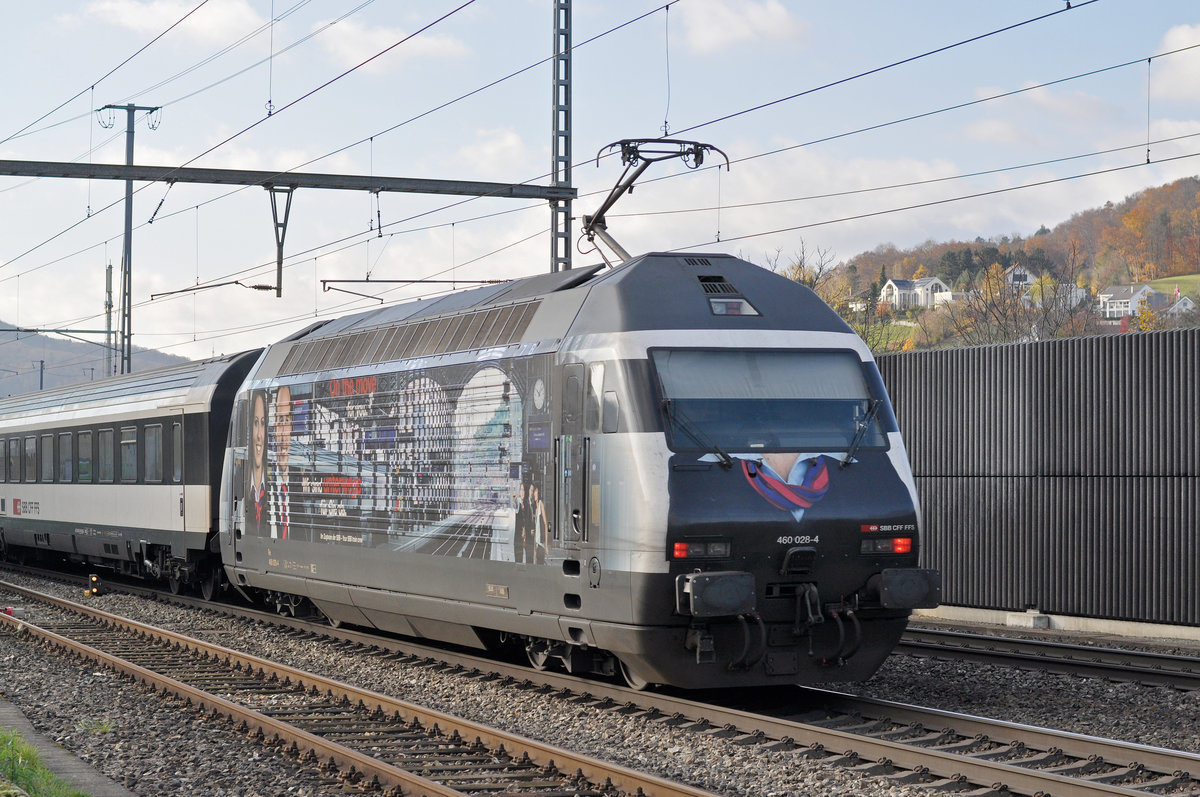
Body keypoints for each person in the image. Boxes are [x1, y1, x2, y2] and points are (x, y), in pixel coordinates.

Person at [270, 385, 293, 540]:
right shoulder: (264, 490)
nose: (284, 434)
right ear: (274, 428)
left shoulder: (303, 490)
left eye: (287, 421)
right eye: (280, 421)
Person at [249, 390, 268, 534]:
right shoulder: (238, 486)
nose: (259, 436)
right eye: (256, 423)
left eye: (263, 423)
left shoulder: (272, 490)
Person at [531, 482, 550, 564]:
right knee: (536, 564)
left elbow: (545, 524)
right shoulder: (533, 506)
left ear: (538, 493)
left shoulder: (541, 504)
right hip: (535, 543)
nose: (534, 494)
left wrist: (546, 545)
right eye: (533, 492)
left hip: (541, 543)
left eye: (535, 491)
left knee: (540, 564)